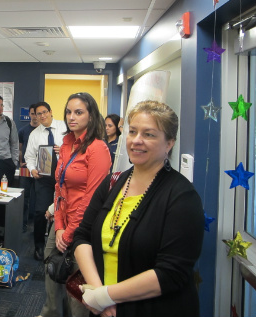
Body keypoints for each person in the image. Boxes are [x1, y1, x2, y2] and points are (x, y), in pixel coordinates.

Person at [72, 101, 204, 317]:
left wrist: (105, 296)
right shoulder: (112, 183)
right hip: (104, 308)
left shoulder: (182, 197)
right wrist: (98, 293)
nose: (136, 141)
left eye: (149, 134)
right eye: (132, 131)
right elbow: (82, 236)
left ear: (169, 143)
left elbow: (171, 273)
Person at [40, 93, 111, 317]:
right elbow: (60, 188)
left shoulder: (98, 148)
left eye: (78, 112)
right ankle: (51, 312)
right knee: (51, 268)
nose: (72, 117)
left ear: (91, 116)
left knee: (76, 283)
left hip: (83, 227)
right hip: (62, 220)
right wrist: (59, 224)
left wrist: (69, 232)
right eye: (69, 112)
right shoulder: (66, 144)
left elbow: (92, 197)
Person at [24, 101, 67, 261]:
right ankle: (39, 246)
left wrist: (63, 150)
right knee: (40, 212)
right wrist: (32, 169)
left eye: (44, 112)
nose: (41, 116)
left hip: (64, 178)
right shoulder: (35, 134)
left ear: (50, 112)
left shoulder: (65, 128)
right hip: (43, 179)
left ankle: (58, 244)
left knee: (61, 211)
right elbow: (29, 156)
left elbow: (76, 149)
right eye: (38, 114)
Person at [18, 103, 40, 232]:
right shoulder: (23, 131)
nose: (35, 116)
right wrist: (21, 162)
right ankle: (23, 225)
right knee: (24, 197)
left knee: (39, 197)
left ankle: (38, 226)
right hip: (25, 168)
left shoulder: (44, 130)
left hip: (39, 169)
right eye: (33, 113)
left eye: (37, 114)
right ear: (29, 114)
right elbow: (20, 149)